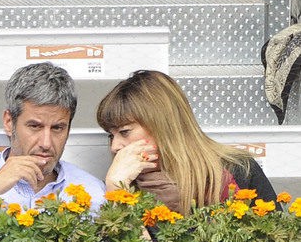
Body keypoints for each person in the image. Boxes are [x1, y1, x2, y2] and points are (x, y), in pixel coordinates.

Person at [98, 69, 277, 213]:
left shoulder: (239, 169)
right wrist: (117, 189)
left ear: (163, 125)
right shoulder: (120, 181)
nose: (115, 147)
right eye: (111, 135)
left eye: (124, 132)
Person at [0, 62, 105, 210]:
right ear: (9, 122)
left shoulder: (93, 191)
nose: (46, 143)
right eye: (35, 126)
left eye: (57, 128)